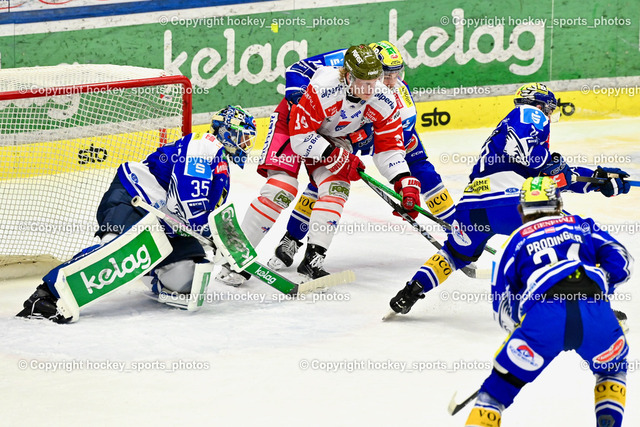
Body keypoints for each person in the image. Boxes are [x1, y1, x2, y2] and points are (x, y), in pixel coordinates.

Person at [388, 82, 632, 315]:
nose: (549, 116)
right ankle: (590, 307)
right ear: (541, 106)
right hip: (512, 204)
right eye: (549, 110)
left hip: (472, 209)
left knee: (453, 254)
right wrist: (553, 164)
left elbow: (549, 176)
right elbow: (530, 157)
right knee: (571, 236)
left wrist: (597, 181)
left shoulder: (502, 136)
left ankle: (410, 292)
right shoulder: (530, 112)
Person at [16, 105, 257, 322]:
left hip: (166, 221)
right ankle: (45, 295)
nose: (246, 144)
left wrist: (221, 240)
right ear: (226, 131)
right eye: (243, 137)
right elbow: (185, 203)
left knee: (188, 279)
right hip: (135, 198)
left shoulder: (221, 164)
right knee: (115, 252)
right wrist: (210, 235)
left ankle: (149, 268)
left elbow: (205, 213)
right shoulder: (203, 147)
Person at [266, 41, 455, 271]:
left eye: (397, 74)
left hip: (380, 129)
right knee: (325, 181)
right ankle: (292, 238)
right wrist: (300, 98)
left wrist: (402, 179)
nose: (392, 82)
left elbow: (392, 146)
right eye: (386, 75)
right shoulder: (343, 66)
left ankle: (457, 230)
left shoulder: (398, 100)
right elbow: (298, 70)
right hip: (344, 129)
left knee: (423, 171)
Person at [463, 176, 632, 427]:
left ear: (521, 210)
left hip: (543, 319)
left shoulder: (514, 241)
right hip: (595, 312)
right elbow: (622, 260)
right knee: (612, 370)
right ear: (559, 204)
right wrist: (601, 289)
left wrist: (520, 327)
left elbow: (501, 305)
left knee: (497, 391)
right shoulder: (581, 225)